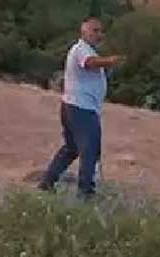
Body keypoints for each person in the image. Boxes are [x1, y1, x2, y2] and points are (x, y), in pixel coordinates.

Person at [37, 18, 122, 198]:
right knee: (89, 150)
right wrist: (109, 61)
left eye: (100, 31)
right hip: (81, 108)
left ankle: (47, 183)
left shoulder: (86, 49)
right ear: (84, 33)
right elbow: (89, 63)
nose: (99, 35)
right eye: (95, 31)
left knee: (72, 148)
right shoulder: (81, 49)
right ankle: (85, 193)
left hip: (75, 106)